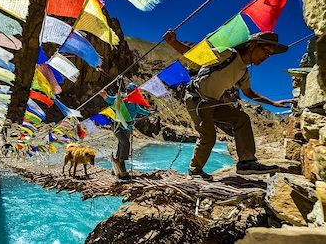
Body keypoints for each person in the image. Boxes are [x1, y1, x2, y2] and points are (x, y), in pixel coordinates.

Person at [163, 30, 295, 179]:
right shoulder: (227, 54)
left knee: (241, 119)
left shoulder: (243, 72)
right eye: (265, 51)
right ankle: (195, 171)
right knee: (208, 136)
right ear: (252, 46)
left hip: (214, 103)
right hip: (197, 100)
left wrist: (274, 103)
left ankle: (246, 162)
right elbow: (196, 57)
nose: (266, 57)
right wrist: (174, 42)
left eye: (270, 54)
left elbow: (249, 93)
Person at [99, 82, 150, 179]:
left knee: (121, 145)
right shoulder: (120, 98)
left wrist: (147, 112)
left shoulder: (134, 102)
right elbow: (109, 99)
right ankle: (121, 166)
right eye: (132, 91)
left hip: (128, 127)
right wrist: (104, 94)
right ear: (128, 91)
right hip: (118, 126)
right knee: (125, 144)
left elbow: (139, 110)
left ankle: (115, 169)